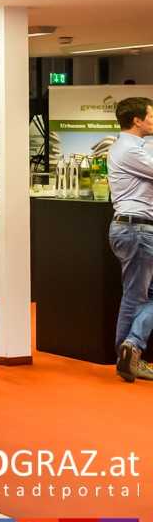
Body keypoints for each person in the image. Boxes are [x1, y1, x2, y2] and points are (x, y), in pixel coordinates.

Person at [108, 96, 153, 382]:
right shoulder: (129, 150)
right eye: (151, 115)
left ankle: (128, 355)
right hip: (137, 230)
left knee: (137, 295)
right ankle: (131, 348)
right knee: (136, 296)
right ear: (137, 120)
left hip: (135, 230)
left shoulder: (135, 147)